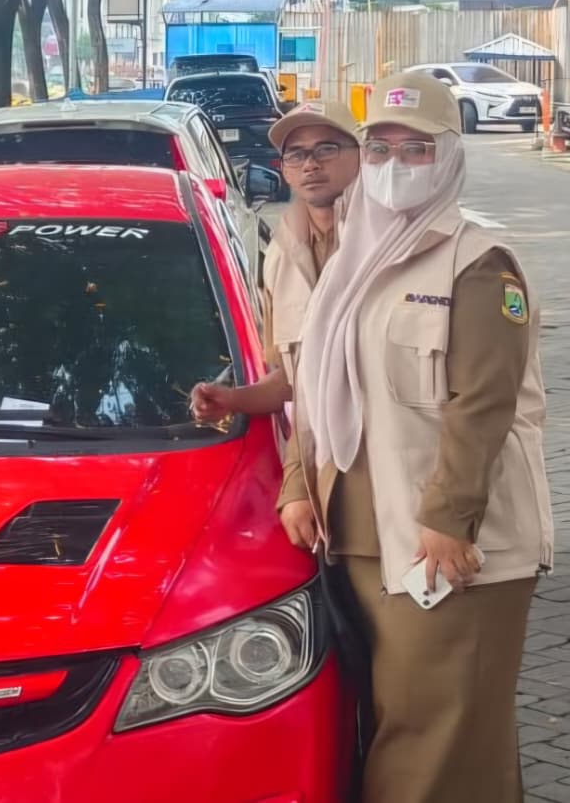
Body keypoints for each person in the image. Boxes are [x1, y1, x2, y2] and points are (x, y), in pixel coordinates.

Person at [279, 72, 553, 803]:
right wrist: (298, 483)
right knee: (447, 733)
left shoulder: (479, 263)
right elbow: (313, 385)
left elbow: (482, 405)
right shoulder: (354, 262)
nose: (393, 165)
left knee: (429, 739)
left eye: (416, 149)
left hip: (449, 545)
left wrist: (448, 519)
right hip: (361, 536)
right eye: (380, 149)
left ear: (450, 156)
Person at [191, 100, 361, 422]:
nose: (310, 165)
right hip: (311, 446)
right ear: (284, 170)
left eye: (326, 149)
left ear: (361, 156)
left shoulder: (394, 248)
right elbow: (289, 380)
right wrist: (231, 399)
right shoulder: (280, 258)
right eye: (296, 154)